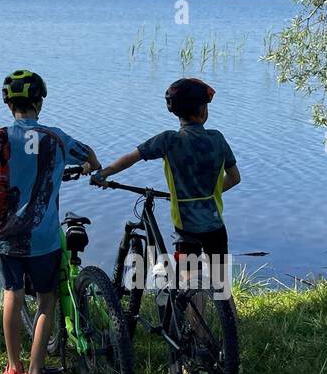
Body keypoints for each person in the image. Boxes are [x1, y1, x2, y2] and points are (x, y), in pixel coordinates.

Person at [0, 69, 100, 374]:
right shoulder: (55, 139)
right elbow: (92, 159)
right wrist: (83, 168)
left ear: (7, 103)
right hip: (42, 239)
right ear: (40, 101)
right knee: (46, 300)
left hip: (6, 235)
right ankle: (36, 372)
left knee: (12, 295)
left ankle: (13, 369)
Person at [97, 77, 240, 298]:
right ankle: (231, 327)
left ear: (176, 112)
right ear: (203, 111)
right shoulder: (217, 139)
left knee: (189, 282)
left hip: (186, 228)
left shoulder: (168, 140)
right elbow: (234, 177)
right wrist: (208, 192)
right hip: (215, 225)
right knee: (221, 285)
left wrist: (104, 173)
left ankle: (196, 331)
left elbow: (130, 158)